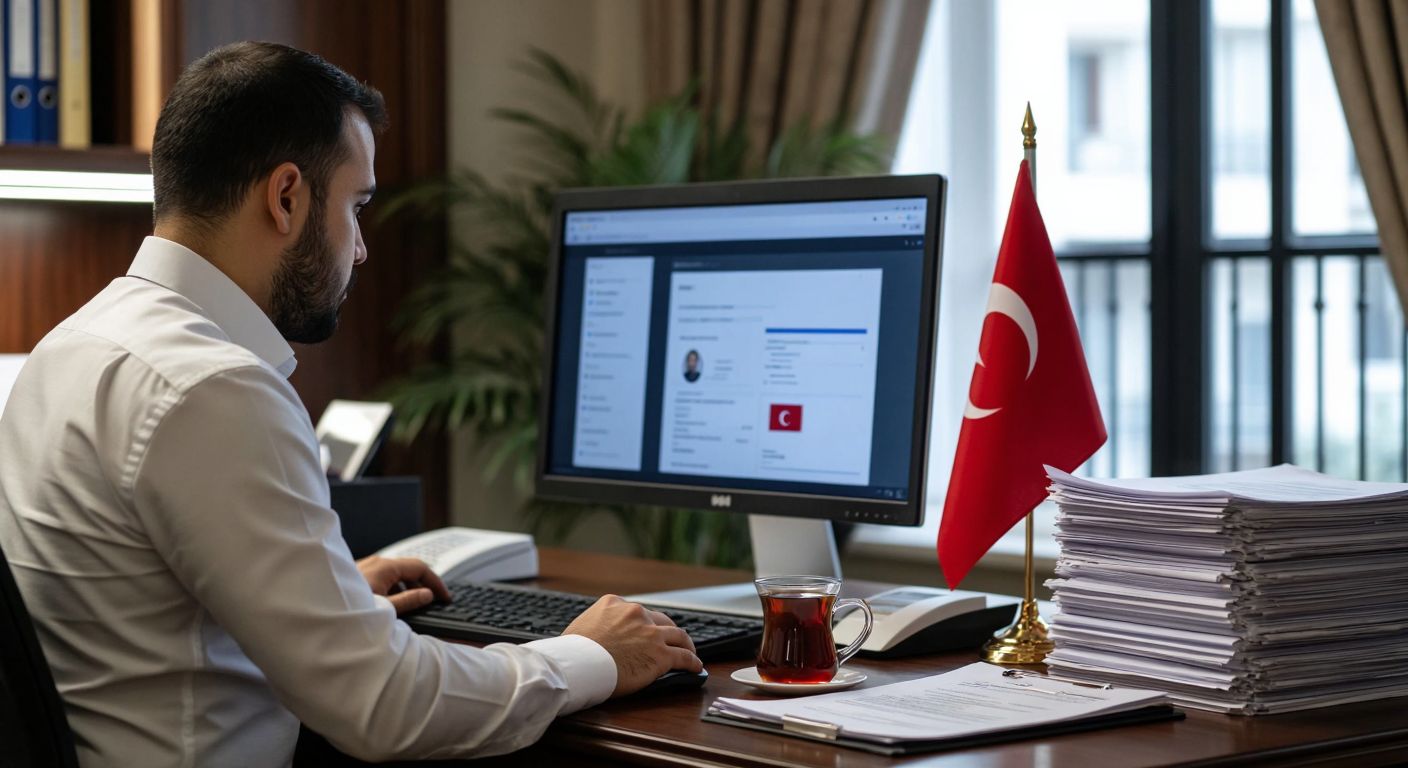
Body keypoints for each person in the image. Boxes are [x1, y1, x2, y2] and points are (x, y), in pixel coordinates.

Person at [0, 42, 700, 767]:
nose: (361, 248)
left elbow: (130, 607)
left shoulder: (72, 346)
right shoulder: (213, 389)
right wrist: (589, 655)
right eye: (356, 207)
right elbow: (386, 707)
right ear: (286, 197)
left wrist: (323, 596)